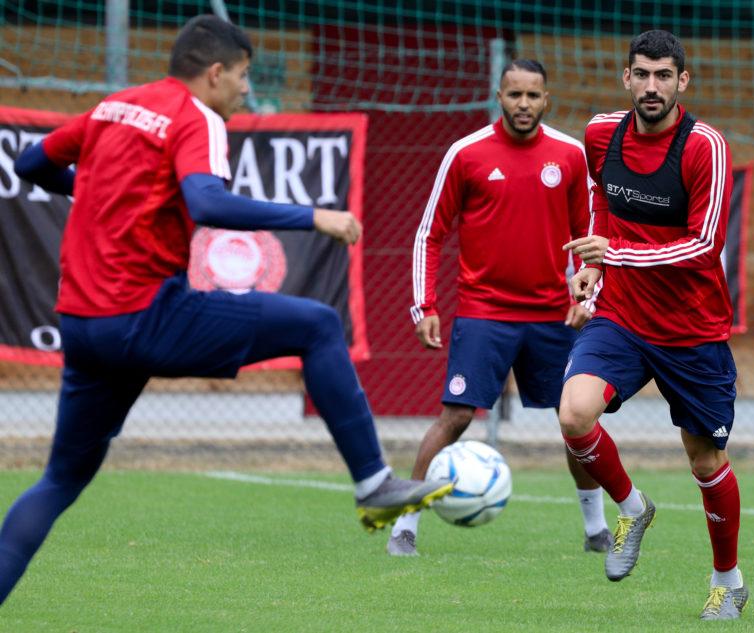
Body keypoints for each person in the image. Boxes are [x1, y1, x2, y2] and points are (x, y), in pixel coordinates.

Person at [0, 15, 451, 606]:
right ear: (215, 72)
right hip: (145, 314)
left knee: (58, 482)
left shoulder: (114, 106)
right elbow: (206, 201)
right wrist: (315, 217)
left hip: (82, 327)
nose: (245, 88)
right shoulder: (198, 117)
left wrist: (94, 190)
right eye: (242, 76)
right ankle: (373, 482)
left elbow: (32, 164)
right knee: (316, 324)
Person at [387, 59, 611, 557]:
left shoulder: (571, 155)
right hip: (484, 311)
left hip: (553, 315)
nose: (524, 105)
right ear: (499, 96)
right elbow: (430, 233)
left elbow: (591, 236)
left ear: (546, 99)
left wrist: (587, 297)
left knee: (576, 420)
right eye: (514, 95)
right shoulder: (465, 154)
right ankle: (406, 525)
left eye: (533, 96)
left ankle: (596, 528)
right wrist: (424, 305)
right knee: (456, 417)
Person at [559, 31, 747, 620]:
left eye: (663, 75)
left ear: (682, 82)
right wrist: (592, 264)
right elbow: (599, 197)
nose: (651, 86)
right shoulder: (600, 134)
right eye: (641, 74)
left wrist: (611, 254)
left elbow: (704, 245)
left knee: (704, 463)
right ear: (625, 78)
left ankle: (728, 580)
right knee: (573, 413)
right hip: (623, 317)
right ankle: (633, 507)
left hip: (692, 329)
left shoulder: (704, 147)